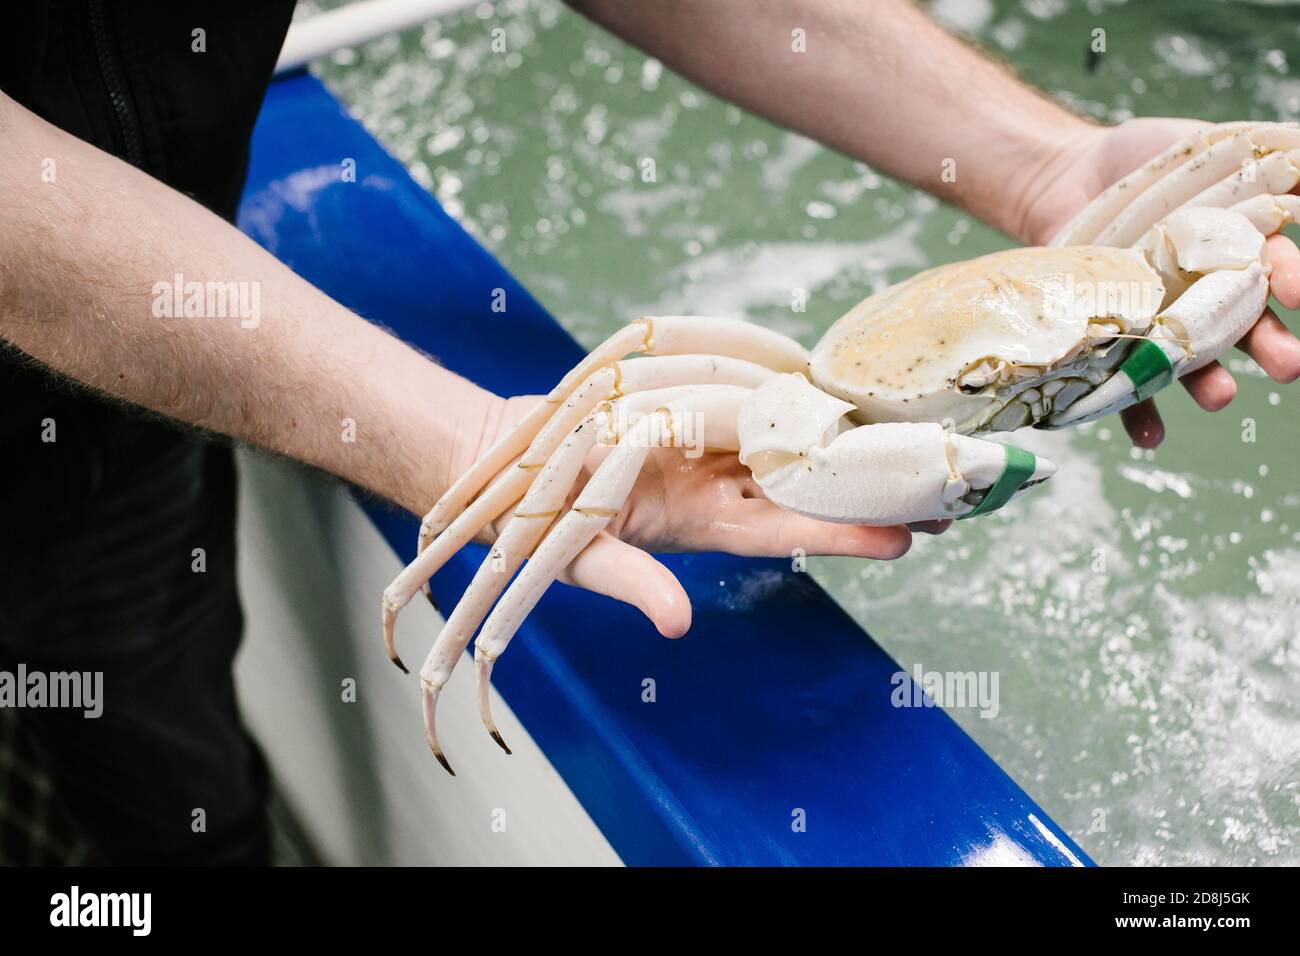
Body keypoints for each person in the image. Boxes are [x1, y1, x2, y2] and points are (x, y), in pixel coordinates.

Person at [1, 0, 1296, 865]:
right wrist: (468, 445)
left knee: (146, 722)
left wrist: (1047, 166)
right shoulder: (786, 387)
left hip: (126, 409)